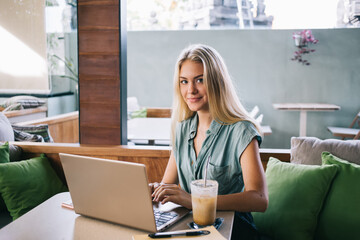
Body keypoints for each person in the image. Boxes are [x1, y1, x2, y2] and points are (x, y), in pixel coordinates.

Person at [150, 44, 268, 239]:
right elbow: (168, 185)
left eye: (199, 80)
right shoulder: (182, 128)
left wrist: (194, 200)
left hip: (232, 229)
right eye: (184, 81)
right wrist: (156, 191)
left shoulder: (242, 131)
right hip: (191, 227)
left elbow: (260, 199)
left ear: (216, 81)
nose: (191, 90)